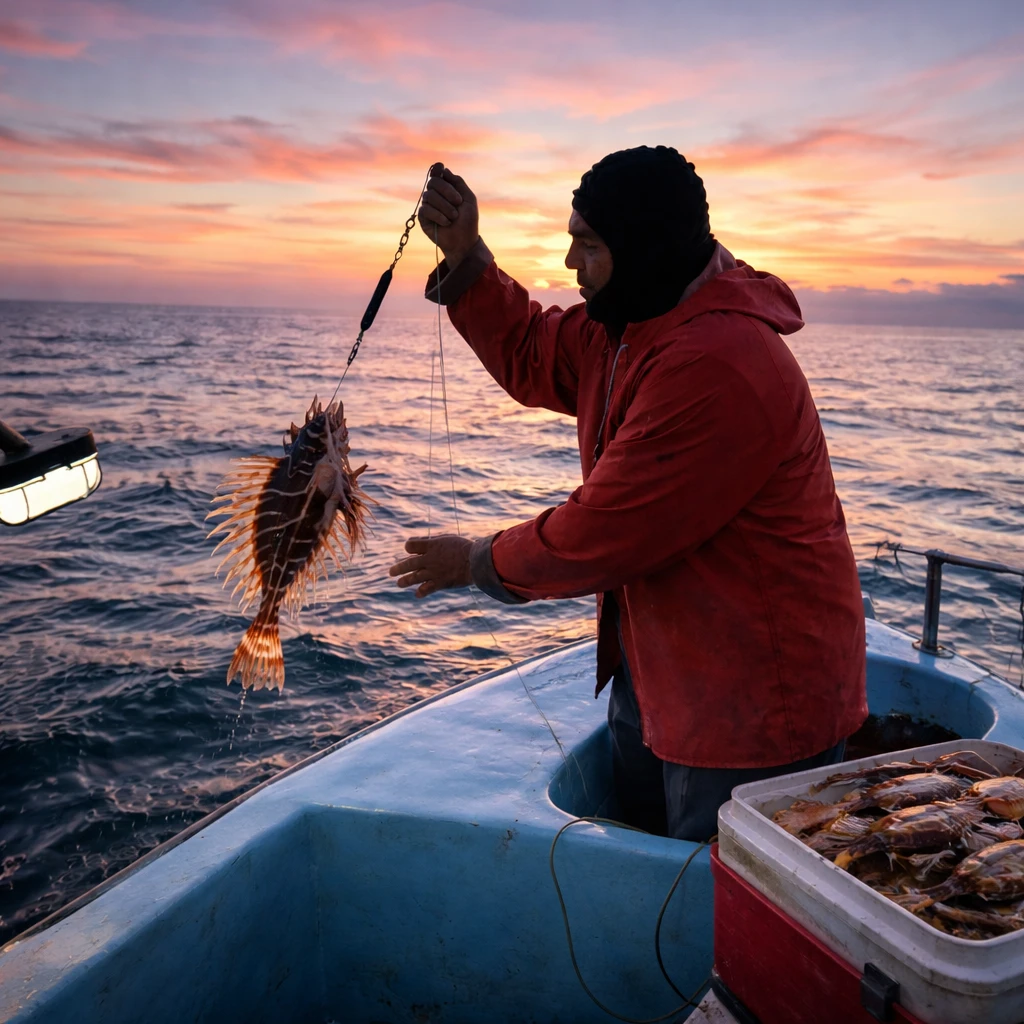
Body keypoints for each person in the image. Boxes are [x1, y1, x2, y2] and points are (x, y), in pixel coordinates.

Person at [389, 148, 868, 841]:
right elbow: (531, 348)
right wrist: (465, 254)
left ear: (642, 246)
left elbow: (605, 528)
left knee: (710, 908)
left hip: (757, 709)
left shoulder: (720, 363)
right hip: (661, 674)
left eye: (587, 244)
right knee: (646, 872)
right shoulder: (625, 323)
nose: (569, 264)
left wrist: (475, 562)